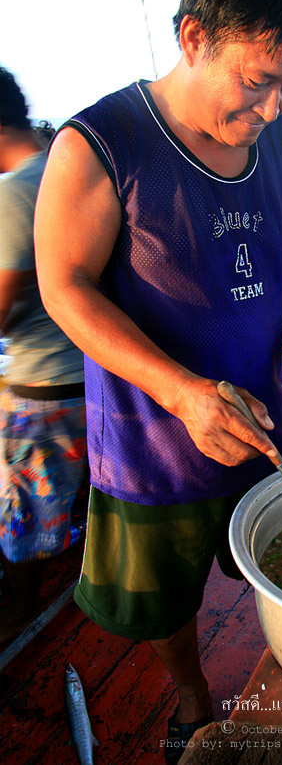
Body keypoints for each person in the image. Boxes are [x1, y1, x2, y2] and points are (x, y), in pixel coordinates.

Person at [34, 0, 282, 763]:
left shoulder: (281, 132)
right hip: (151, 441)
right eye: (256, 81)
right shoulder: (99, 143)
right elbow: (65, 287)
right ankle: (193, 699)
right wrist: (180, 391)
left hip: (262, 419)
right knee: (163, 601)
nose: (272, 107)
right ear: (193, 36)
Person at [0, 67, 87, 644]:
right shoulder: (67, 169)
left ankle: (17, 639)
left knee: (22, 537)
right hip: (93, 380)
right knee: (77, 509)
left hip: (40, 394)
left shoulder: (14, 192)